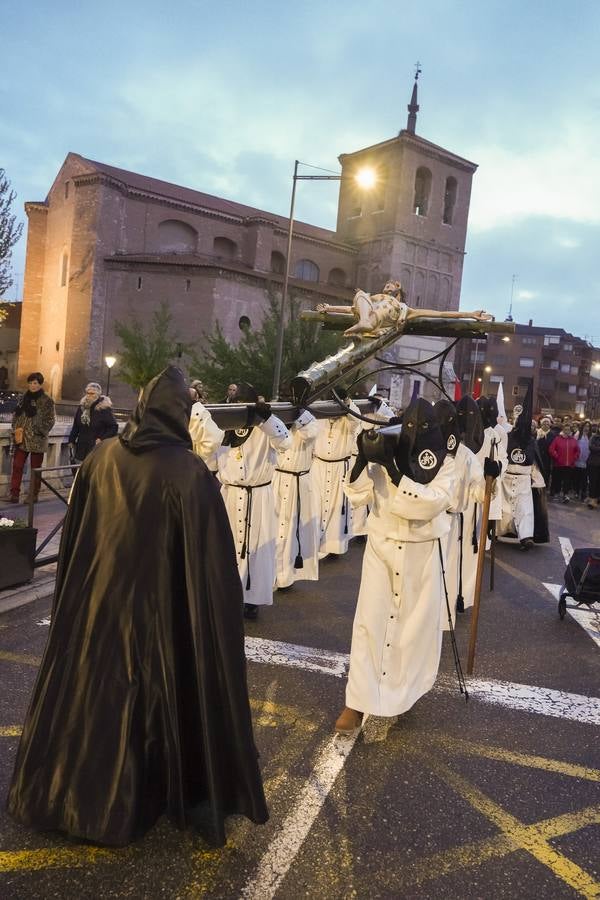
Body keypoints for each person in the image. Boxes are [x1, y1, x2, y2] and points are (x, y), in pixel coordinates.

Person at [7, 366, 268, 847]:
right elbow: (212, 568)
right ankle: (125, 805)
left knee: (85, 693)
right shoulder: (188, 473)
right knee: (139, 702)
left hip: (93, 604)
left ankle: (62, 794)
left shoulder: (100, 459)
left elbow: (77, 540)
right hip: (154, 613)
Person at [335, 398, 456, 734]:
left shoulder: (446, 462)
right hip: (382, 547)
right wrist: (362, 460)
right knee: (369, 624)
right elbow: (356, 495)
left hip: (422, 555)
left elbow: (429, 505)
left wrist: (394, 471)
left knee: (410, 632)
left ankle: (400, 697)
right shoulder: (387, 448)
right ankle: (356, 703)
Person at [216, 383, 291, 619]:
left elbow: (285, 442)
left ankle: (252, 598)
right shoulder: (223, 425)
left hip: (257, 495)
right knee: (226, 547)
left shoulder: (263, 426)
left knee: (258, 548)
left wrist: (267, 419)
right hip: (229, 493)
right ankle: (225, 595)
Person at [316, 280, 493, 338]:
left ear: (398, 292)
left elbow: (439, 314)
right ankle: (363, 322)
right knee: (361, 294)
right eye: (386, 285)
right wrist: (330, 308)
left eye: (391, 285)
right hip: (368, 315)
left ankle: (365, 323)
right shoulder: (377, 297)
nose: (387, 286)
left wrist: (470, 314)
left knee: (384, 306)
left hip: (380, 319)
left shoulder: (404, 308)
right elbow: (350, 308)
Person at [273, 409, 320, 589]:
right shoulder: (277, 419)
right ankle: (274, 573)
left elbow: (311, 433)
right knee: (275, 527)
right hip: (278, 479)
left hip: (298, 481)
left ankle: (287, 575)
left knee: (292, 529)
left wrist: (297, 415)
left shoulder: (309, 420)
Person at [312, 390, 361, 558]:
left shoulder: (348, 421)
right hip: (318, 467)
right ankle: (316, 542)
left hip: (339, 468)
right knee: (317, 505)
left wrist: (347, 403)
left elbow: (357, 419)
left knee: (336, 506)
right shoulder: (319, 418)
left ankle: (334, 546)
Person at [7, 372, 55, 503]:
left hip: (37, 440)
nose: (32, 386)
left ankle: (33, 495)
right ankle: (14, 494)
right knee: (17, 465)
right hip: (21, 438)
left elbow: (50, 420)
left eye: (35, 383)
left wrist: (38, 430)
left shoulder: (47, 400)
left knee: (35, 469)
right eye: (30, 383)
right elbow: (16, 414)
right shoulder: (23, 397)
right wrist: (15, 427)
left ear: (40, 384)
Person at [68, 382, 118, 462]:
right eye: (87, 393)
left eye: (92, 393)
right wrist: (71, 440)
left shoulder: (104, 409)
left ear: (98, 395)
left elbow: (113, 427)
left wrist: (101, 439)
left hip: (96, 448)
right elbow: (76, 426)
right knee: (77, 470)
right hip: (81, 446)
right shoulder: (81, 408)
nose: (88, 395)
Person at [549, 422, 580, 502]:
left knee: (567, 481)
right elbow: (551, 449)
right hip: (558, 464)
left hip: (569, 464)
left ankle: (565, 495)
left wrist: (574, 458)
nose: (567, 431)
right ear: (563, 430)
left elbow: (577, 451)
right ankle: (557, 493)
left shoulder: (573, 440)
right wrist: (557, 457)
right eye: (565, 429)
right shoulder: (557, 439)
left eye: (568, 430)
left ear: (570, 431)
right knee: (558, 480)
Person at [574, 421, 591, 501]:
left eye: (588, 426)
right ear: (582, 426)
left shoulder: (591, 436)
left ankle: (583, 494)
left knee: (584, 480)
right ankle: (576, 492)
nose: (586, 428)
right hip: (577, 460)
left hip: (586, 462)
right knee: (577, 478)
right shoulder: (577, 435)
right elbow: (573, 446)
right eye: (585, 426)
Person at [587, 425, 600, 509]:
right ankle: (592, 500)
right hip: (593, 463)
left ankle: (597, 498)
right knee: (593, 481)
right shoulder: (594, 437)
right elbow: (591, 447)